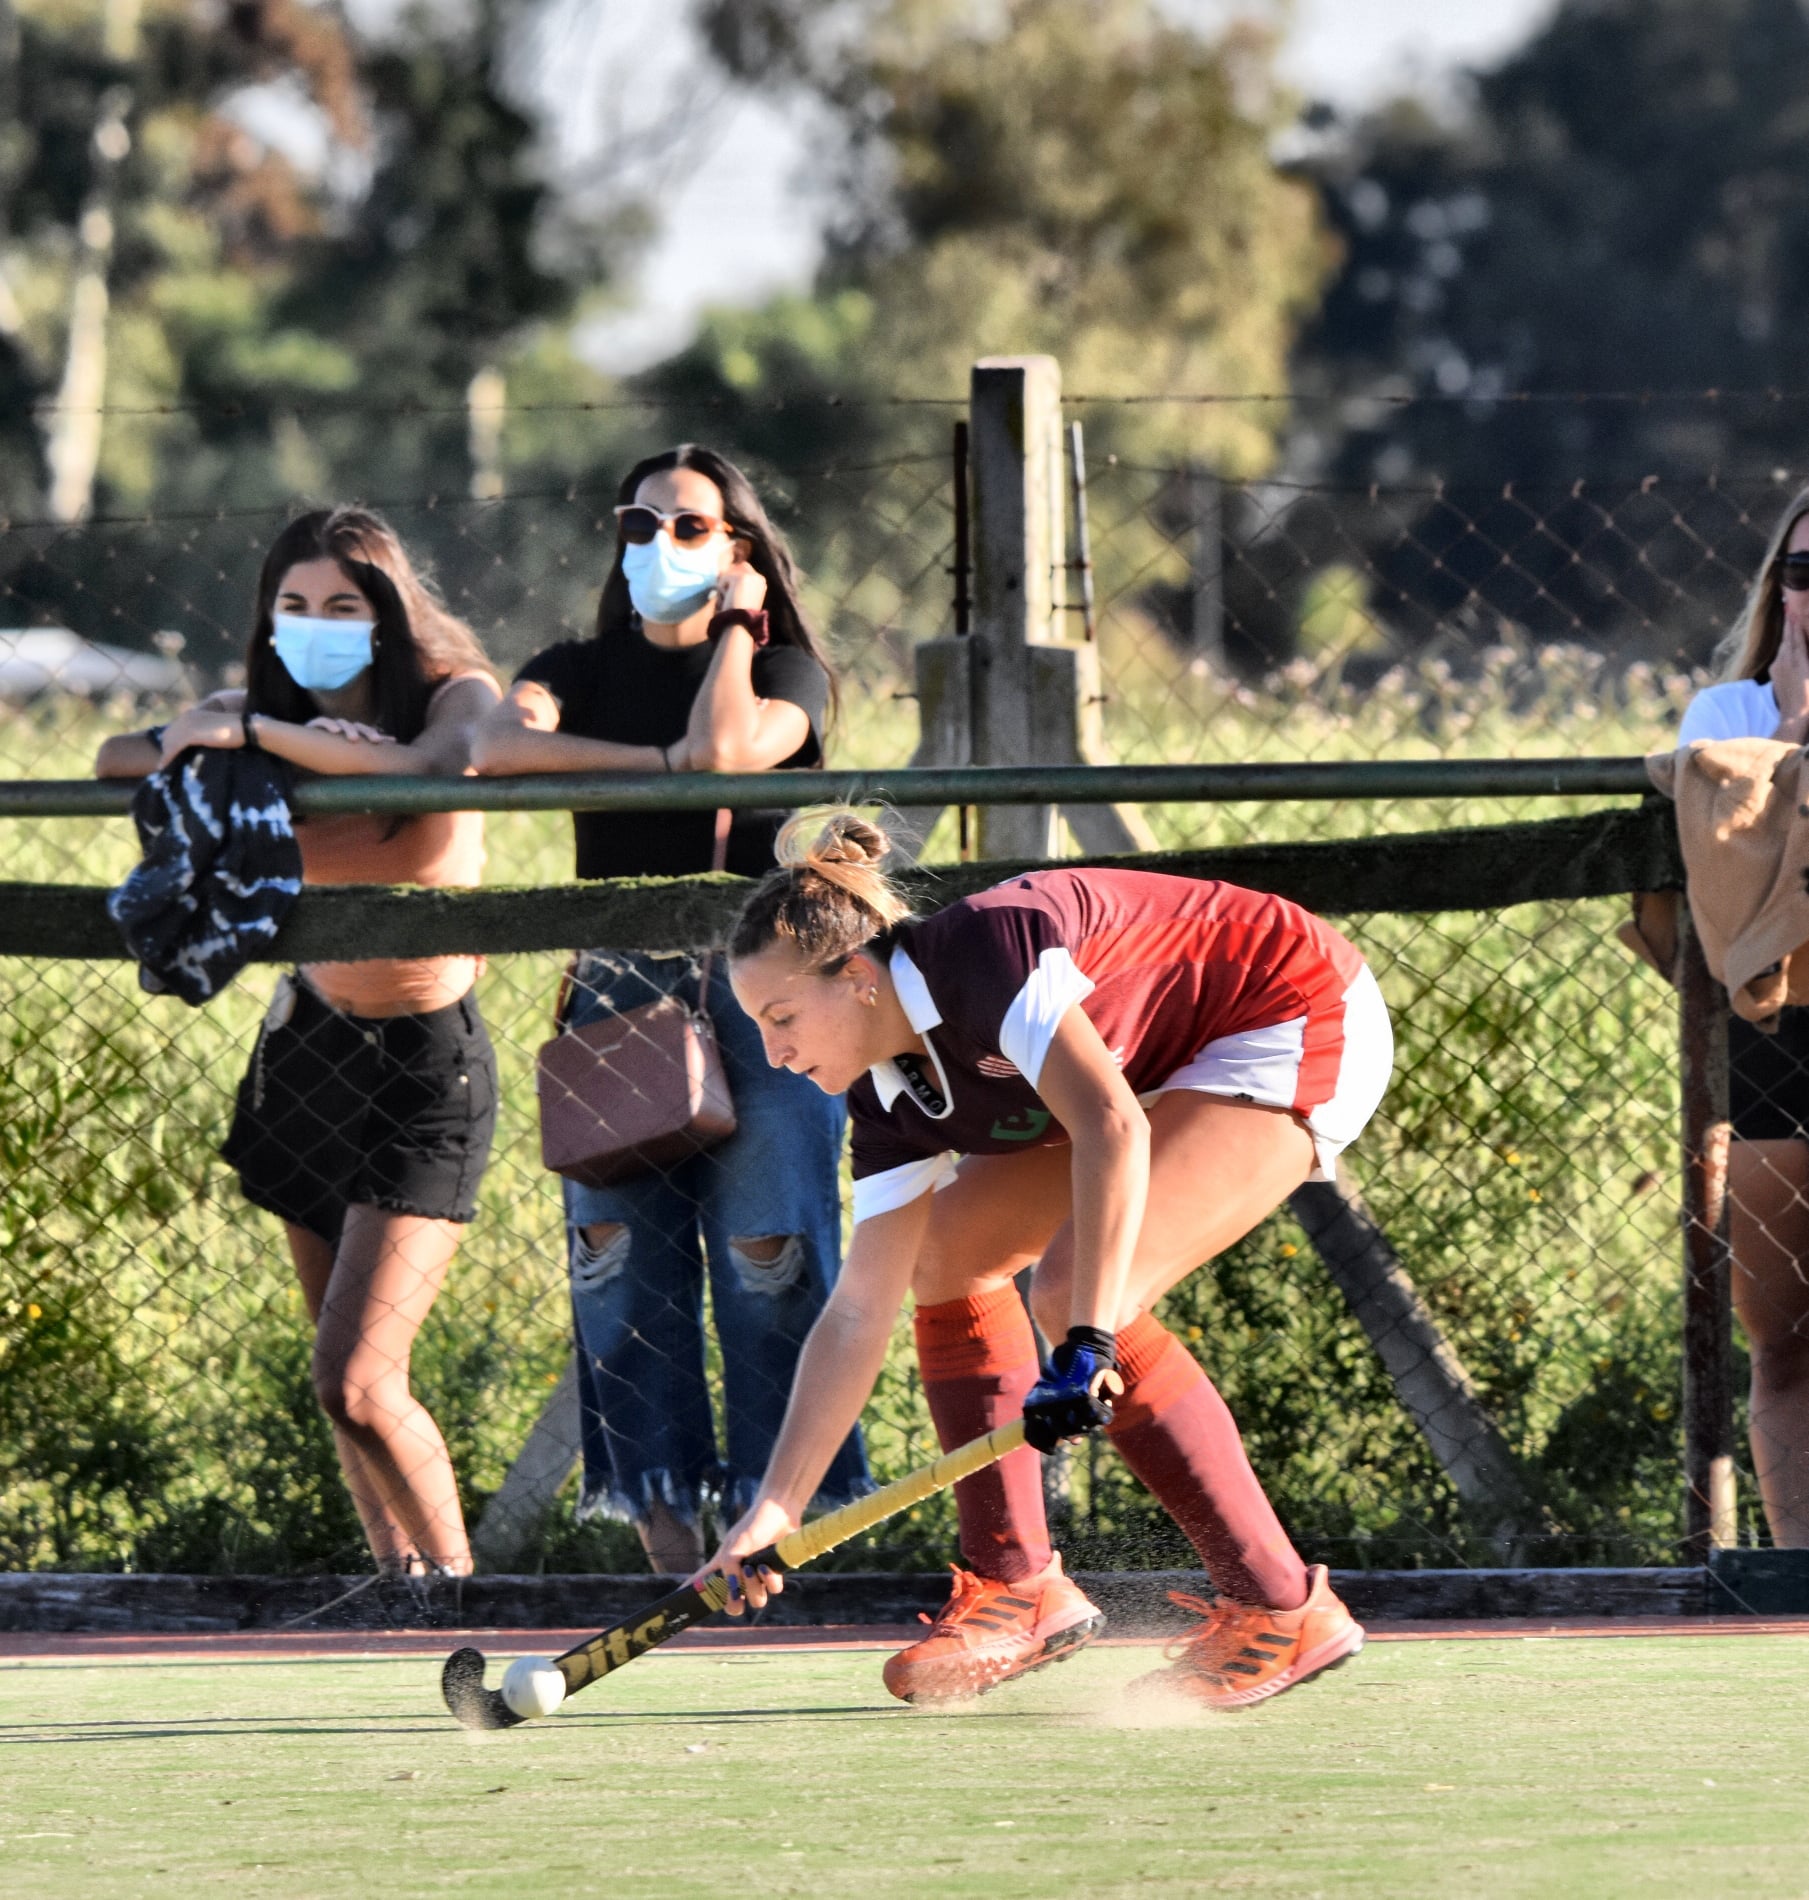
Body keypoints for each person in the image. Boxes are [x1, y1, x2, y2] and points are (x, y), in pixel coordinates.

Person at [701, 812, 1395, 1707]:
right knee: (944, 1258)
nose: (773, 1052)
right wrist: (778, 1506)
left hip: (1290, 1009)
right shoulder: (885, 1098)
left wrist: (1088, 1343)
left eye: (783, 1016)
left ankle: (1279, 1603)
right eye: (758, 1024)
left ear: (860, 980)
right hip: (1153, 1060)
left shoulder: (992, 955)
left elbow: (1111, 1125)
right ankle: (1019, 1588)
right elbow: (855, 1310)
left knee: (1076, 1289)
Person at [471, 444, 868, 1575]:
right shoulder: (574, 666)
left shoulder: (785, 672)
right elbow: (494, 746)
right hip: (617, 989)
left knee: (769, 1255)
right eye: (637, 526)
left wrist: (738, 633)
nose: (658, 547)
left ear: (740, 551)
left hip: (769, 995)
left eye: (690, 527)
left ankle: (776, 1518)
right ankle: (666, 1533)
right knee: (617, 1261)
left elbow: (730, 753)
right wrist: (655, 759)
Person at [97, 506, 502, 1578]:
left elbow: (442, 766)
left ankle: (458, 1598)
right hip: (310, 1044)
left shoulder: (450, 693)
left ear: (387, 611)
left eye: (342, 604)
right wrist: (222, 721)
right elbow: (110, 755)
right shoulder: (254, 703)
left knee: (361, 1379)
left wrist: (263, 740)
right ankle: (394, 1590)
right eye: (293, 605)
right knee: (334, 1369)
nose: (315, 625)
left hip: (427, 1064)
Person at [1674, 485, 1809, 1548]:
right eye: (1805, 575)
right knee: (1787, 1340)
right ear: (1779, 591)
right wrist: (1800, 727)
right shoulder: (1727, 720)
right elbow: (1735, 909)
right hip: (1779, 1036)